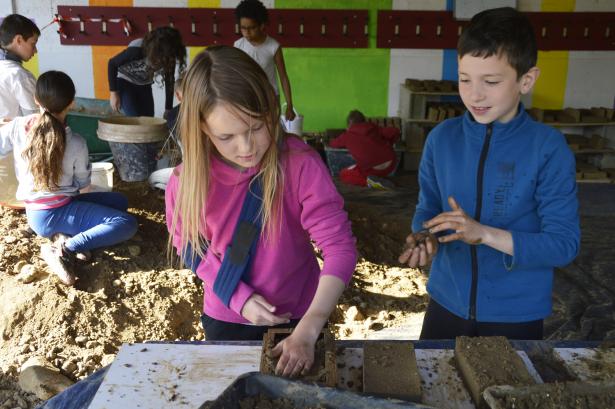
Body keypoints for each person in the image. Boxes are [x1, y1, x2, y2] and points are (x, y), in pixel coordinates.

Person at [165, 46, 356, 377]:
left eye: (255, 127)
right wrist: (238, 297)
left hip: (301, 319)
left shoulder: (300, 165)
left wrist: (309, 328)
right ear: (203, 129)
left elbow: (340, 248)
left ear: (270, 109)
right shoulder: (188, 179)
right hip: (226, 318)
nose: (246, 147)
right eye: (226, 137)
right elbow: (190, 247)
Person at [398, 7, 580, 341]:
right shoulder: (442, 139)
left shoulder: (547, 148)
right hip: (445, 302)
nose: (474, 94)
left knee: (505, 393)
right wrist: (424, 237)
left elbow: (563, 244)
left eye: (491, 81)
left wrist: (484, 234)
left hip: (515, 314)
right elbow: (428, 208)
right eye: (465, 79)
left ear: (526, 80)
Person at [0, 71, 138, 286]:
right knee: (126, 223)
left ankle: (62, 234)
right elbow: (83, 185)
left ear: (36, 100)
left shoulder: (18, 126)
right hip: (51, 213)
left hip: (37, 209)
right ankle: (64, 249)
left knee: (120, 202)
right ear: (71, 103)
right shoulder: (76, 142)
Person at [234, 0, 295, 122]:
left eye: (251, 28)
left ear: (262, 25)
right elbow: (235, 76)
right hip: (247, 97)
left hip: (270, 99)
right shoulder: (238, 45)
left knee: (271, 133)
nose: (247, 32)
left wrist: (289, 104)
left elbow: (283, 77)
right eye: (243, 28)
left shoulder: (273, 46)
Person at [108, 26, 186, 117]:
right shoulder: (137, 50)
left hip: (144, 84)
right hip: (125, 82)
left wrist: (168, 109)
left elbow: (169, 81)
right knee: (135, 120)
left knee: (149, 119)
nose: (165, 60)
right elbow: (112, 63)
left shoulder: (169, 57)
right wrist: (113, 93)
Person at [329, 110, 400, 187]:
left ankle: (370, 182)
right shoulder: (373, 127)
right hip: (391, 164)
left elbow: (333, 144)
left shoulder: (347, 136)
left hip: (372, 169)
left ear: (349, 124)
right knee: (361, 166)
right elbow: (395, 131)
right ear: (364, 121)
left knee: (344, 174)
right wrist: (389, 143)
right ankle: (377, 178)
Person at [0, 14, 39, 120]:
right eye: (33, 43)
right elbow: (34, 121)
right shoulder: (20, 76)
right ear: (18, 40)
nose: (35, 51)